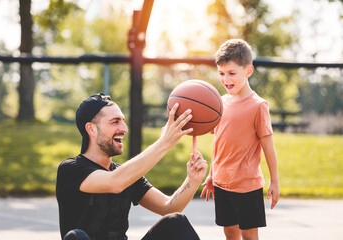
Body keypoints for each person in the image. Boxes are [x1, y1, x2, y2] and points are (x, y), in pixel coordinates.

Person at [56, 93, 208, 240]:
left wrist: (192, 180)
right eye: (115, 122)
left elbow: (169, 208)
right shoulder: (71, 169)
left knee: (176, 221)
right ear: (91, 129)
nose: (124, 128)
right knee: (76, 236)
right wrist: (164, 142)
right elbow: (114, 183)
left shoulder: (124, 174)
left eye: (123, 120)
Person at [201, 39, 280, 240]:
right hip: (222, 183)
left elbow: (268, 147)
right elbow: (219, 143)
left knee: (249, 235)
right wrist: (212, 174)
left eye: (232, 73)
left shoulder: (258, 105)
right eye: (221, 73)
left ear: (248, 71)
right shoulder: (219, 103)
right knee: (229, 232)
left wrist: (275, 181)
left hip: (247, 185)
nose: (226, 79)